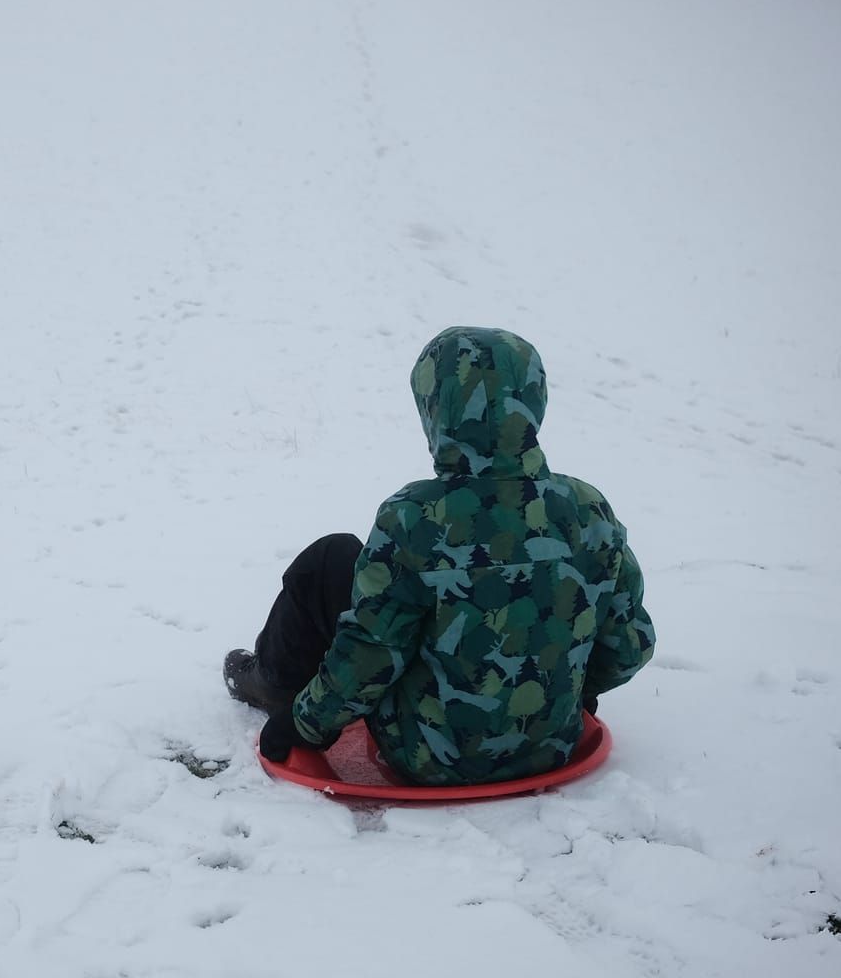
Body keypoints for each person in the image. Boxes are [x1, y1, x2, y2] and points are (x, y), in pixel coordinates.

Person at [225, 326, 655, 785]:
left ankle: (272, 682)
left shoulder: (416, 517)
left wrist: (305, 724)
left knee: (332, 558)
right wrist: (566, 695)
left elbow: (372, 653)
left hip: (426, 757)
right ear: (533, 401)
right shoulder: (588, 509)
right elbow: (629, 645)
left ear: (435, 408)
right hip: (552, 747)